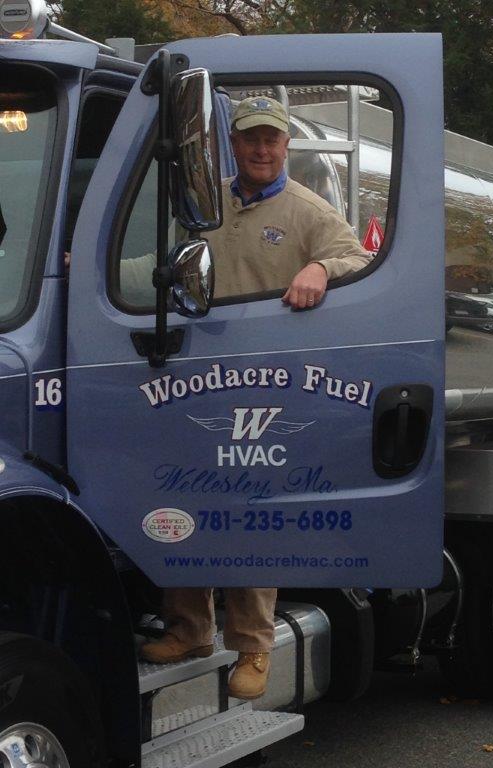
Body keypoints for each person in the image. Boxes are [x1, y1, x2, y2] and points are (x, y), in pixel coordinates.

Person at [139, 96, 373, 700]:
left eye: (272, 139)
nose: (262, 150)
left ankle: (254, 649)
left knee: (249, 510)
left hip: (266, 384)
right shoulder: (205, 202)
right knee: (184, 500)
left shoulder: (308, 211)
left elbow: (359, 257)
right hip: (196, 377)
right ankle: (190, 631)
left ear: (286, 147)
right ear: (234, 145)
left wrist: (321, 269)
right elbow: (166, 263)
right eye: (251, 140)